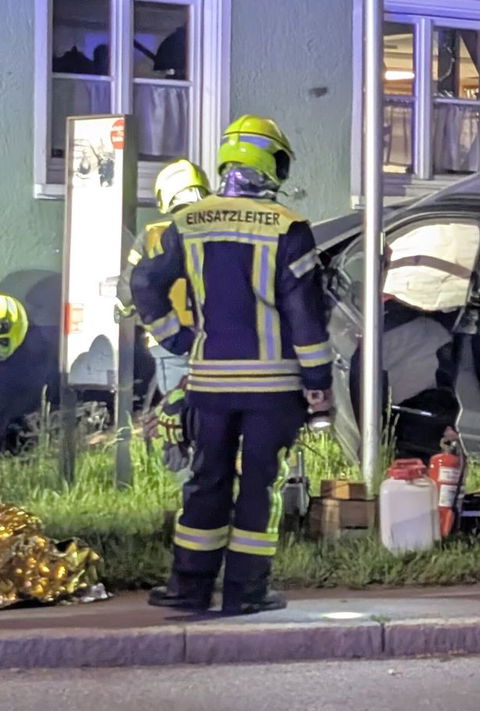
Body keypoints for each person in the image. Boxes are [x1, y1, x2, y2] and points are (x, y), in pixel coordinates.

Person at [131, 116, 331, 615]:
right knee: (259, 485)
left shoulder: (188, 222)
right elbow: (304, 315)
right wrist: (318, 382)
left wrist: (174, 338)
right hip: (273, 387)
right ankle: (246, 590)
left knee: (207, 479)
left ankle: (188, 587)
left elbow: (143, 284)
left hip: (209, 384)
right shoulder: (289, 228)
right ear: (271, 163)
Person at [123, 161, 209, 396]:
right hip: (219, 340)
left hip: (173, 342)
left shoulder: (154, 236)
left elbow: (130, 287)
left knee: (179, 411)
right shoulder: (221, 231)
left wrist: (123, 308)